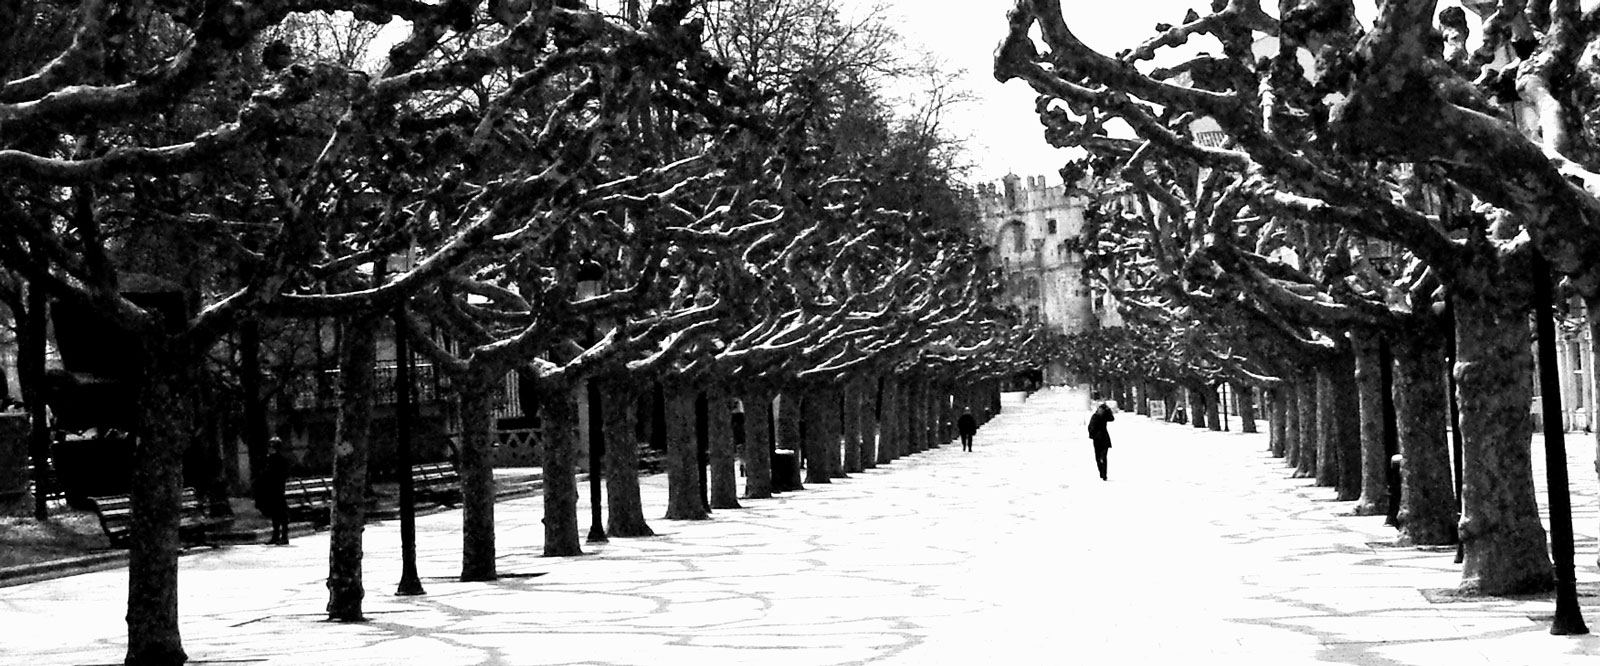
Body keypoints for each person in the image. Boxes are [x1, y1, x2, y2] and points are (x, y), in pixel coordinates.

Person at [258, 437, 291, 545]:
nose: (269, 449)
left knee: (281, 513)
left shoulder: (279, 460)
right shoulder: (270, 459)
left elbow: (278, 474)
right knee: (274, 513)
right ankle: (276, 535)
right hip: (272, 489)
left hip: (277, 489)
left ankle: (284, 536)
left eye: (271, 447)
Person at [1087, 402, 1115, 480]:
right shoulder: (1095, 417)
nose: (1101, 411)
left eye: (1102, 410)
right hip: (1097, 439)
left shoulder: (1104, 416)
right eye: (1100, 410)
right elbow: (1090, 427)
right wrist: (1092, 435)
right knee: (1098, 457)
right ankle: (1101, 472)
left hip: (1104, 439)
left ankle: (1104, 474)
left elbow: (1112, 419)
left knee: (1103, 456)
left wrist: (1108, 410)